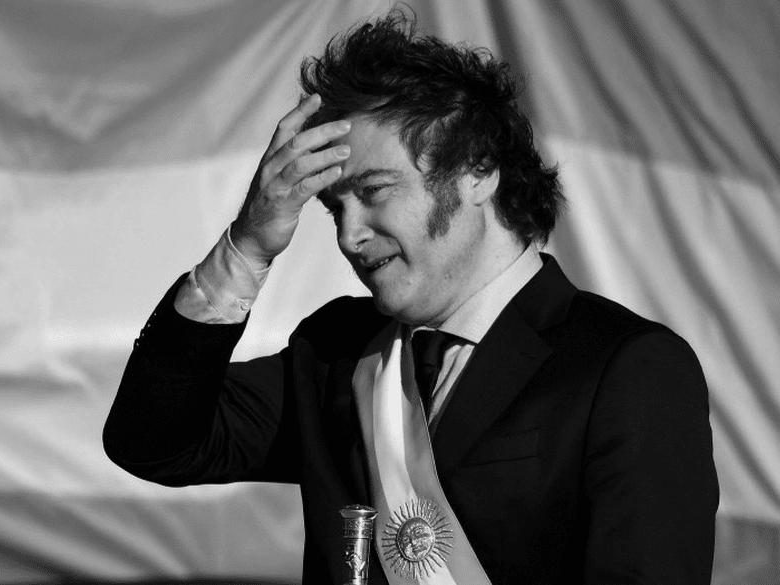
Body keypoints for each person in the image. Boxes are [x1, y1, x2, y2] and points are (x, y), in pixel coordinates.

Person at [103, 11, 718, 585]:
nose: (349, 235)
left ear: (477, 170)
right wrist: (248, 246)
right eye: (334, 208)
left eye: (374, 191)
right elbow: (152, 444)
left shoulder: (627, 367)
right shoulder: (334, 351)